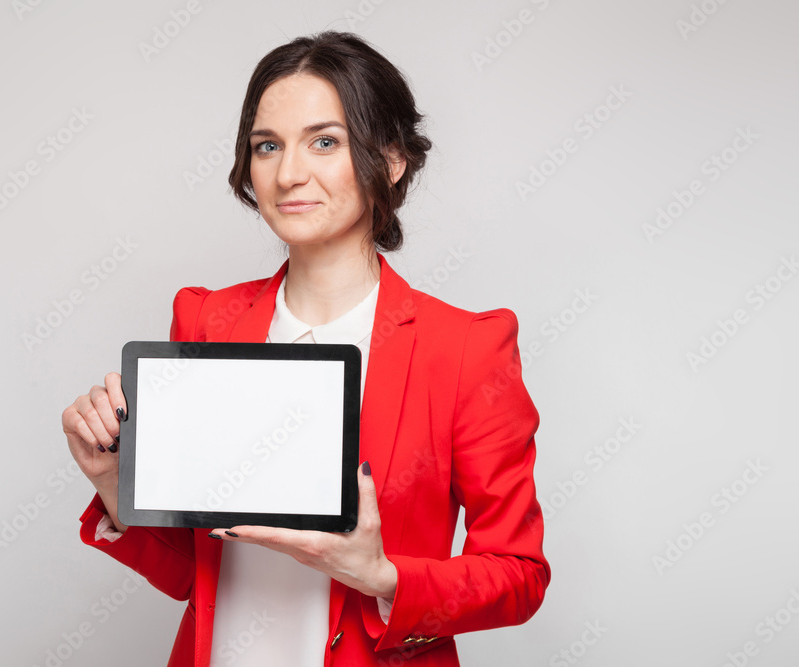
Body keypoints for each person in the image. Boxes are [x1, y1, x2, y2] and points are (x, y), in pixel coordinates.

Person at [62, 31, 549, 667]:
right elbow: (196, 575)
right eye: (267, 145)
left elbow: (518, 574)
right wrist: (113, 482)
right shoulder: (206, 321)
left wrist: (382, 577)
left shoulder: (465, 349)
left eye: (325, 141)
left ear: (391, 159)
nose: (289, 173)